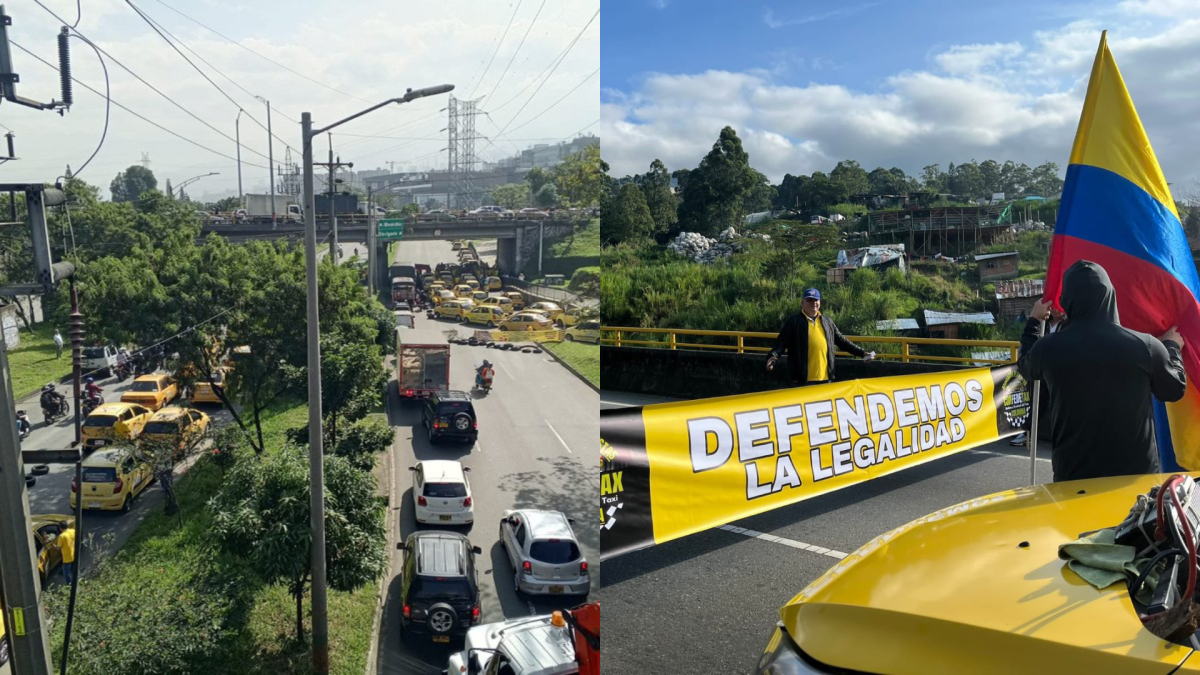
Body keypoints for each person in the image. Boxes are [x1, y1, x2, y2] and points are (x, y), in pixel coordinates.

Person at [1017, 260, 1186, 482]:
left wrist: (1033, 321)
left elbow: (1025, 366)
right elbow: (1174, 389)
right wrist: (1172, 347)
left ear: (1067, 300)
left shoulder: (1049, 347)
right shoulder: (1146, 346)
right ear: (1110, 296)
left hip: (1073, 476)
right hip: (1136, 478)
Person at [766, 288, 874, 385]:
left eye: (816, 300)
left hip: (826, 379)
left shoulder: (827, 321)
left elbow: (842, 342)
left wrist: (862, 353)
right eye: (809, 300)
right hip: (803, 380)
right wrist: (773, 356)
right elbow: (781, 343)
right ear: (802, 303)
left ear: (820, 303)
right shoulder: (794, 322)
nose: (813, 303)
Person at [1011, 305, 1065, 446]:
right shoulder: (1043, 322)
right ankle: (1026, 433)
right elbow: (1030, 348)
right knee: (1036, 399)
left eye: (1060, 306)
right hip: (1042, 369)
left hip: (1060, 371)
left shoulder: (1069, 325)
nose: (1057, 310)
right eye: (1054, 306)